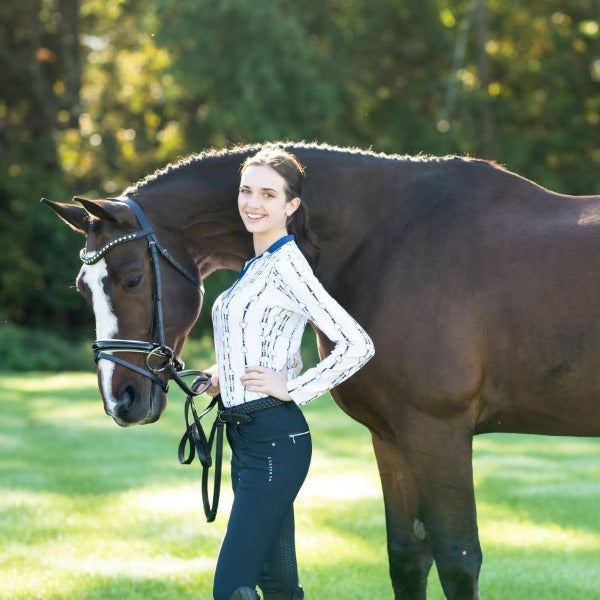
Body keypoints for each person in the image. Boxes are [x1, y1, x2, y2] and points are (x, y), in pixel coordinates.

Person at [205, 144, 375, 600]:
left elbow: (357, 343)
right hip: (248, 435)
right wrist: (223, 372)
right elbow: (269, 338)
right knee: (277, 584)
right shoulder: (257, 265)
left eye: (268, 194)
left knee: (231, 586)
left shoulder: (287, 265)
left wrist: (294, 389)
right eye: (246, 191)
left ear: (291, 205)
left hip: (275, 439)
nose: (253, 203)